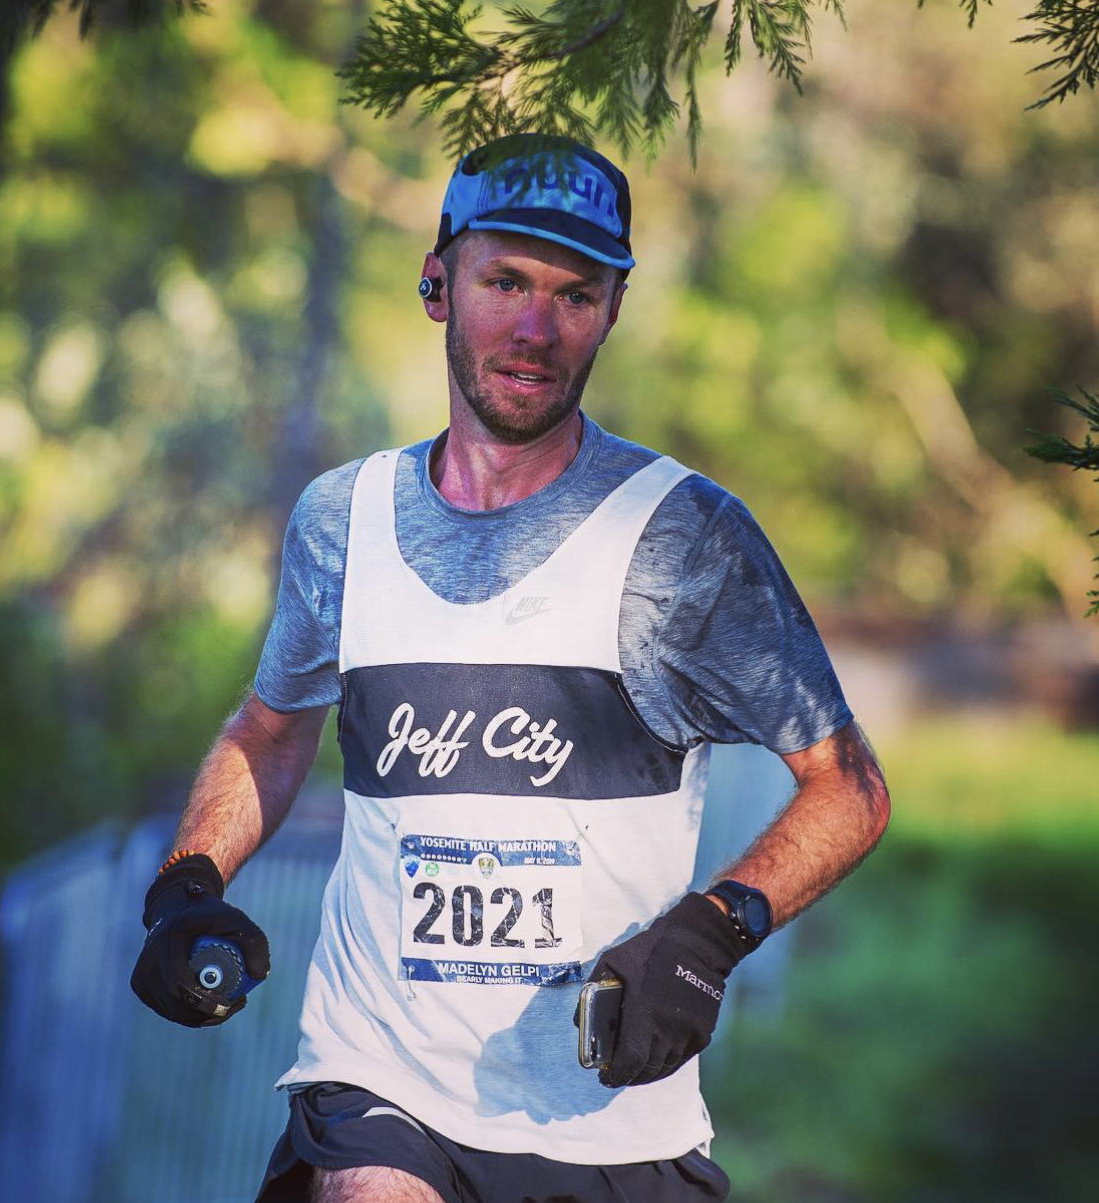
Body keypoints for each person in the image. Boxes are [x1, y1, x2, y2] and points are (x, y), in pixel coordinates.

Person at [130, 134, 891, 1203]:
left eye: (575, 295)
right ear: (438, 282)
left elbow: (847, 787)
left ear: (614, 309)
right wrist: (187, 884)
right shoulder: (343, 521)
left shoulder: (685, 537)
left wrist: (715, 931)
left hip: (613, 1118)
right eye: (506, 282)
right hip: (379, 1084)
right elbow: (270, 727)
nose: (535, 329)